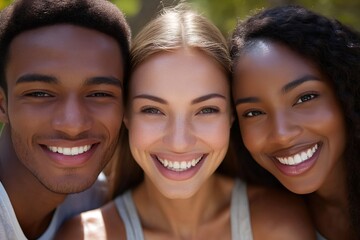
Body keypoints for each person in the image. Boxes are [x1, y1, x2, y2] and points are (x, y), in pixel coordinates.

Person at [56, 4, 316, 240]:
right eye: (152, 110)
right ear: (126, 115)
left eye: (206, 110)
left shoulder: (279, 224)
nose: (179, 142)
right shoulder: (86, 236)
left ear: (231, 116)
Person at [0, 0, 131, 239]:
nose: (73, 124)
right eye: (40, 94)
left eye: (99, 94)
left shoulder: (103, 202)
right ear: (2, 104)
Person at [230, 5, 360, 240]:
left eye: (305, 98)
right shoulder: (256, 220)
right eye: (253, 113)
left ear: (345, 93)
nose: (282, 134)